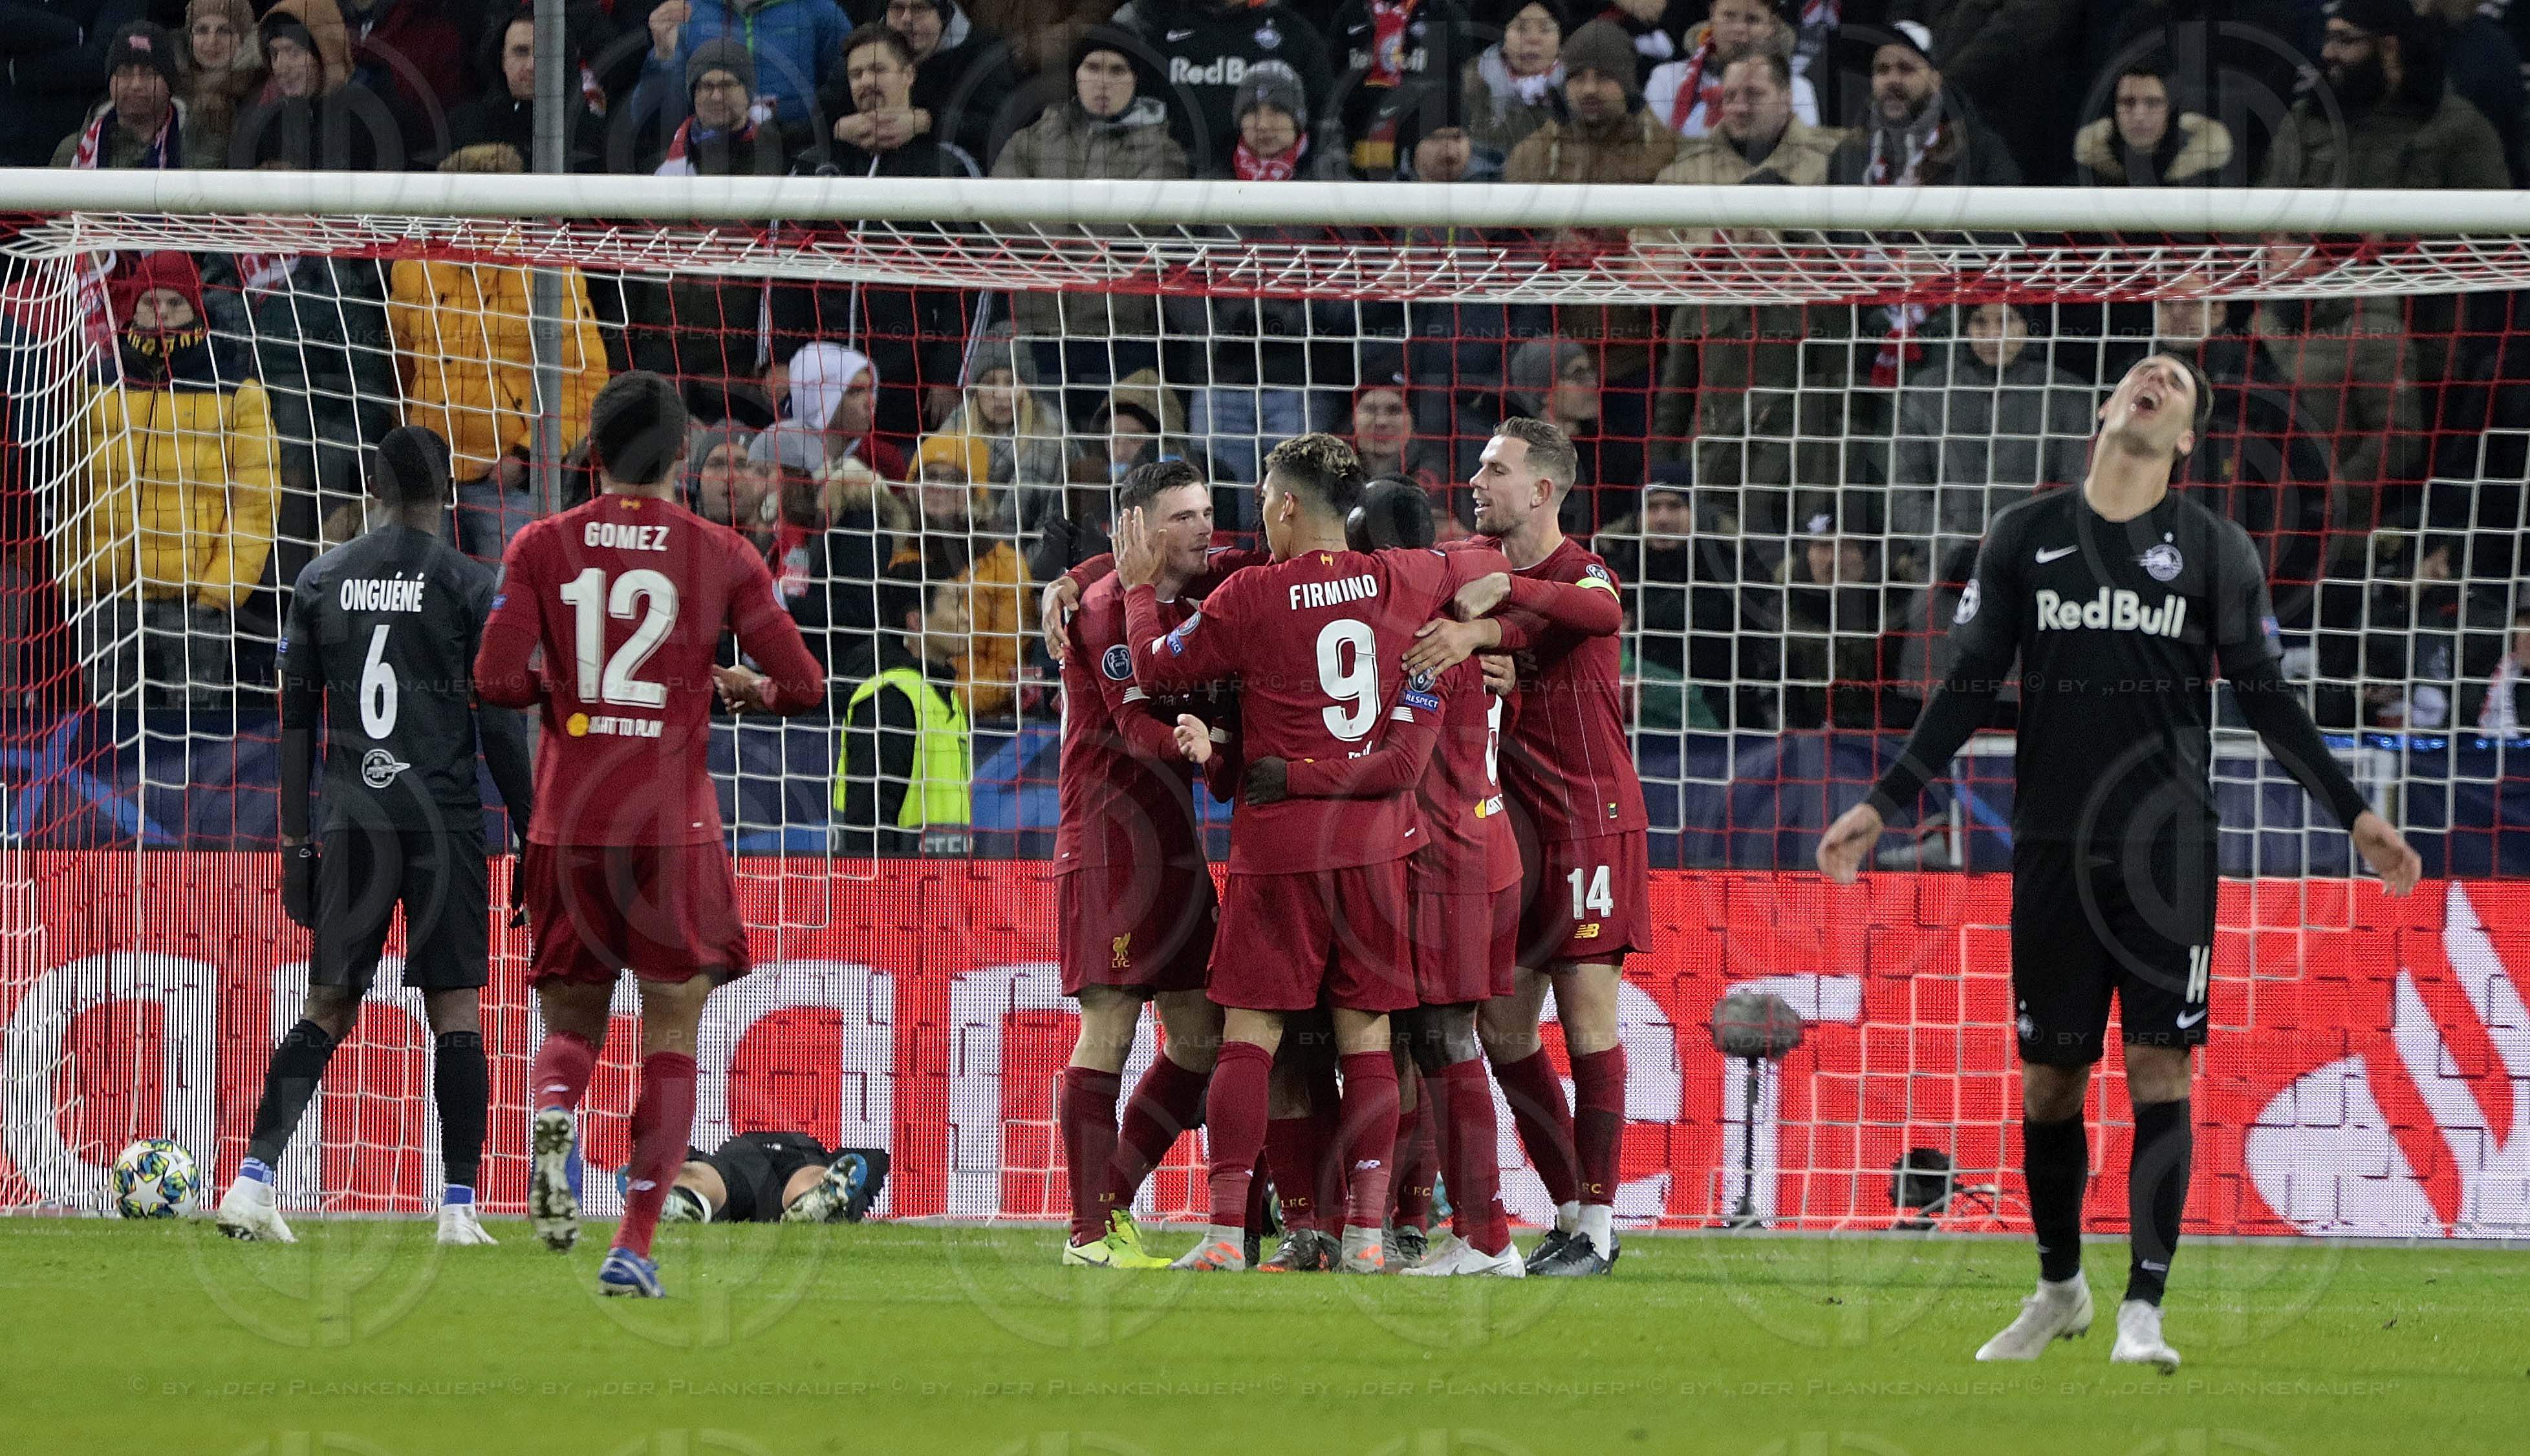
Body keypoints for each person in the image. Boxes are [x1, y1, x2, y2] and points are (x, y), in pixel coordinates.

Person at [1814, 352, 2425, 1371]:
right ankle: (2060, 1289)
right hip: (2050, 844)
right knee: (2049, 1082)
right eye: (2142, 371)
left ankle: (2144, 1305)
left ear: (2185, 439)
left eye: (2177, 383)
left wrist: (2357, 814)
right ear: (2107, 407)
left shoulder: (2215, 549)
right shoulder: (2024, 536)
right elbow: (1968, 685)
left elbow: (2268, 700)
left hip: (2168, 853)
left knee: (2158, 1067)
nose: (2156, 379)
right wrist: (1884, 804)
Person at [475, 370, 827, 1298]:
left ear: (592, 448)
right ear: (682, 455)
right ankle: (632, 1245)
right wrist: (741, 685)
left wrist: (568, 691)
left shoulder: (539, 544)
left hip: (569, 822)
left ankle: (554, 1120)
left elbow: (496, 678)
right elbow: (805, 684)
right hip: (671, 828)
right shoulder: (720, 552)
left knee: (572, 1025)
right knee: (671, 1030)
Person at [1111, 434, 1489, 1272]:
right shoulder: (1409, 577)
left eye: (1261, 503)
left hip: (1279, 848)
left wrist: (1138, 593)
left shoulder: (1251, 596)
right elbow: (1483, 572)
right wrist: (1479, 623)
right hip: (1375, 851)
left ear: (1284, 505)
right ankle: (1365, 1236)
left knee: (1250, 1035)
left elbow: (1154, 667)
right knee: (1369, 1039)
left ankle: (1221, 1236)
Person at [214, 425, 535, 1249]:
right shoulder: (471, 583)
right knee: (456, 1009)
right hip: (443, 822)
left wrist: (293, 844)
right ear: (444, 492)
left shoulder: (320, 577)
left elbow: (293, 725)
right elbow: (499, 725)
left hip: (350, 818)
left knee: (328, 1002)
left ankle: (251, 1182)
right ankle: (458, 1208)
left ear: (378, 487)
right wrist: (533, 832)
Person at [1245, 478, 1531, 1276]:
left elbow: (1398, 760)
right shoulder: (1457, 581)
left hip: (1441, 857)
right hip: (1444, 850)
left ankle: (1476, 1231)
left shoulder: (1406, 616)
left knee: (1432, 1041)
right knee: (1410, 1041)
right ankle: (1404, 1219)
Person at [1400, 416, 1648, 1276]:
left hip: (1590, 821)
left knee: (1587, 1018)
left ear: (1541, 490)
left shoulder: (1578, 570)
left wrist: (1495, 612)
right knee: (1505, 1027)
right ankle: (1573, 1209)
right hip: (1515, 828)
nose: (1476, 481)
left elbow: (1601, 610)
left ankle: (1601, 1229)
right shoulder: (1471, 563)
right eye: (1477, 468)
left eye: (1495, 471)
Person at [1048, 460, 1237, 1267]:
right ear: (1136, 529)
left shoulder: (1199, 582)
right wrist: (1206, 745)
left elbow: (1271, 560)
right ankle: (1089, 1233)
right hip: (1111, 846)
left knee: (1201, 1037)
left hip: (1175, 847)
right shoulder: (1099, 611)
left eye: (1206, 511)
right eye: (1183, 516)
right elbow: (1136, 729)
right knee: (1111, 1029)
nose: (1203, 527)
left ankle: (1112, 1200)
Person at [63, 251, 278, 711]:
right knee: (107, 747)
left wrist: (219, 592)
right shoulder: (96, 387)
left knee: (195, 751)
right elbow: (69, 496)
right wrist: (78, 582)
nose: (159, 314)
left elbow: (255, 509)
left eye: (173, 303)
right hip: (107, 602)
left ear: (196, 310)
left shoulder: (237, 392)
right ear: (133, 308)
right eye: (149, 302)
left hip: (193, 606)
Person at [389, 143, 612, 562]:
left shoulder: (552, 272)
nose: (464, 217)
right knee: (424, 603)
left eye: (477, 204)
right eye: (455, 204)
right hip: (428, 479)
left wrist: (526, 456)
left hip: (509, 485)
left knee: (507, 602)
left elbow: (588, 383)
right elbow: (401, 368)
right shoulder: (411, 268)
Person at [1646, 50, 1845, 517]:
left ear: (1788, 97)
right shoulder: (1699, 302)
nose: (1738, 106)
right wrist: (1659, 478)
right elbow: (1673, 405)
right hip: (1715, 466)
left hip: (1797, 470)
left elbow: (1840, 394)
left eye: (1752, 94)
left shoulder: (1837, 162)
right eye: (1728, 95)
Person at [1889, 301, 2095, 581]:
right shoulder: (1928, 391)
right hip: (1942, 573)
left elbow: (2073, 492)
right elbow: (1904, 491)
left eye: (2006, 321)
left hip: (2033, 570)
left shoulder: (2068, 394)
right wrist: (1951, 548)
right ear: (1965, 327)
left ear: (2028, 327)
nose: (1992, 335)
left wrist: (2020, 548)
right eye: (1979, 322)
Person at [835, 561, 971, 856]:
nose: (966, 618)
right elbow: (867, 818)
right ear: (916, 621)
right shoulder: (890, 698)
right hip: (899, 890)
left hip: (945, 885)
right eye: (955, 605)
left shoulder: (946, 698)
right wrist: (884, 897)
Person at [1113, 0, 1334, 173]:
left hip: (1263, 196)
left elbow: (1326, 123)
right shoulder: (1151, 24)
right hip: (1170, 193)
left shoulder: (1294, 34)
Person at [635, 0, 852, 132]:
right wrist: (664, 58)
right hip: (709, 163)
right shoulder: (688, 14)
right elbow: (647, 119)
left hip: (798, 161)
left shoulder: (820, 12)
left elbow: (846, 93)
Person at [446, 10, 605, 169]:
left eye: (545, 53)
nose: (532, 66)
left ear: (563, 62)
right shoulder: (465, 126)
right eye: (521, 52)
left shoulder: (588, 132)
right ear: (502, 60)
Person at [1642, 0, 1815, 138]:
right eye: (1729, 16)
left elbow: (1802, 159)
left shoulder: (1796, 88)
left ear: (1772, 26)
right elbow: (1652, 152)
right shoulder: (1666, 77)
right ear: (1712, 16)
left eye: (1753, 19)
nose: (1739, 28)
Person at [52, 22, 213, 169]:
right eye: (124, 73)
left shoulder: (207, 152)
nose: (136, 84)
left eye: (149, 73)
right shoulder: (70, 152)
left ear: (169, 84)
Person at [659, 1131, 889, 1224]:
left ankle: (684, 1197)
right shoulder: (818, 1153)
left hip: (737, 1160)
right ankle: (817, 1201)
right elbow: (871, 1161)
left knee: (705, 1177)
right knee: (812, 1179)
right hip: (798, 1159)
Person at [2071, 63, 2232, 186]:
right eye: (2128, 103)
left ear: (2171, 111)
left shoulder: (2212, 185)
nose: (2139, 115)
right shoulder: (2080, 182)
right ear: (2113, 112)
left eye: (2153, 103)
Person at [1462, 0, 1568, 166]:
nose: (1534, 39)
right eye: (1521, 29)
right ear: (1503, 37)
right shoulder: (1469, 89)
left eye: (1546, 29)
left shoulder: (1576, 92)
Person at [180, 0, 266, 167]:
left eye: (224, 31)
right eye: (202, 30)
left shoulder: (264, 91)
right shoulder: (173, 90)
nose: (212, 41)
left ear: (243, 37)